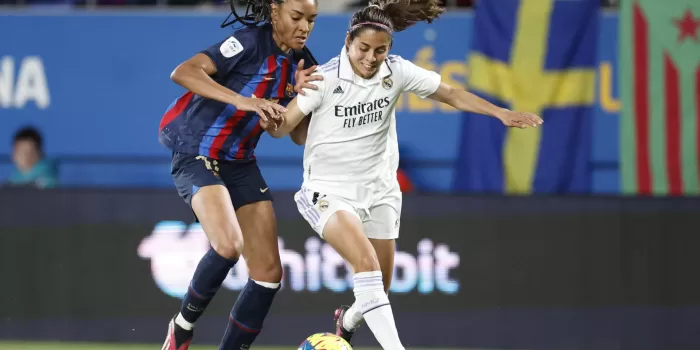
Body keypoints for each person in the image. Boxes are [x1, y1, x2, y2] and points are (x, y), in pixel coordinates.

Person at [263, 0, 543, 348]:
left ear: (389, 50)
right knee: (365, 266)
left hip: (381, 192)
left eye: (379, 51)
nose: (370, 58)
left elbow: (452, 94)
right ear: (348, 41)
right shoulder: (325, 79)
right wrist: (270, 118)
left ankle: (346, 321)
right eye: (363, 48)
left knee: (379, 288)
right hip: (328, 191)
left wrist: (500, 113)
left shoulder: (397, 71)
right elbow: (284, 127)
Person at [156, 0, 322, 349]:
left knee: (268, 276)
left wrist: (301, 101)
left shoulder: (304, 64)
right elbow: (183, 72)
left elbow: (297, 135)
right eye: (297, 17)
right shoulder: (247, 42)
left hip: (240, 161)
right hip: (196, 150)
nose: (304, 27)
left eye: (311, 19)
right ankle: (182, 327)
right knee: (229, 245)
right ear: (274, 11)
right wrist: (244, 101)